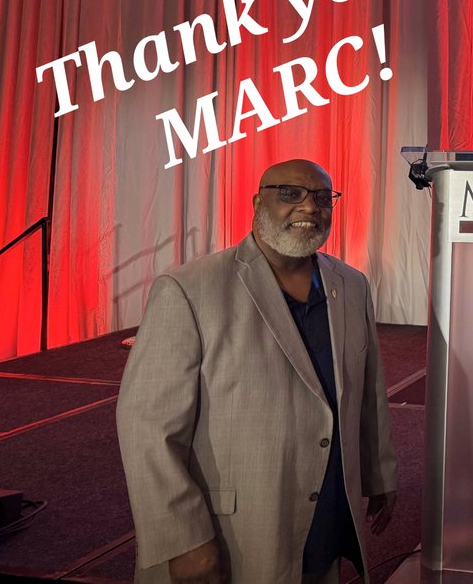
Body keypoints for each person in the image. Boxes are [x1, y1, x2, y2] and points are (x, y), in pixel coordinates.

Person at [117, 159, 397, 584]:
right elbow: (146, 428)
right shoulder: (190, 288)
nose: (309, 207)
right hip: (236, 531)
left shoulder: (352, 285)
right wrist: (184, 538)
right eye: (290, 194)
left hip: (328, 519)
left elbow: (368, 393)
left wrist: (378, 472)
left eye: (323, 198)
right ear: (257, 203)